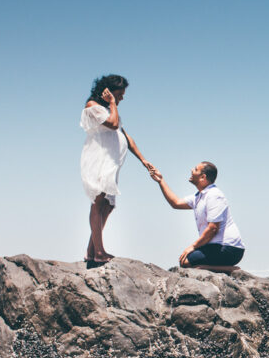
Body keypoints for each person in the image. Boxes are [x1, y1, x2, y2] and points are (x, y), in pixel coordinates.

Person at [80, 74, 155, 267]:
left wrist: (143, 159)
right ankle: (98, 251)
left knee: (108, 205)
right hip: (99, 160)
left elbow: (125, 136)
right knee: (98, 201)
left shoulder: (109, 110)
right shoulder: (92, 106)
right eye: (119, 94)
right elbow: (113, 125)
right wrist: (113, 103)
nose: (122, 98)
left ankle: (91, 250)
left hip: (111, 163)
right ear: (108, 92)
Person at [150, 161, 245, 270]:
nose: (191, 170)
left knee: (186, 262)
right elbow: (176, 203)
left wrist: (193, 246)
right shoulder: (199, 197)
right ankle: (208, 267)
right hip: (214, 246)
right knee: (184, 261)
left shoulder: (214, 195)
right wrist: (160, 181)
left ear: (203, 177)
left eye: (195, 169)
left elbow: (213, 228)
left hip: (229, 249)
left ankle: (230, 269)